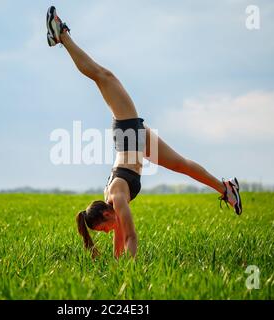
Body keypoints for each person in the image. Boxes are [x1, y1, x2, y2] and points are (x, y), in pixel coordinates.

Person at [46, 6, 242, 259]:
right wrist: (117, 265)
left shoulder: (117, 198)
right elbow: (120, 236)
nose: (106, 233)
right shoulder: (115, 205)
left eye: (103, 229)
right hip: (136, 140)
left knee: (101, 76)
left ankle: (61, 34)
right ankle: (226, 189)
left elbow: (130, 237)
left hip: (127, 130)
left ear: (106, 213)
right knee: (181, 164)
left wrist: (130, 269)